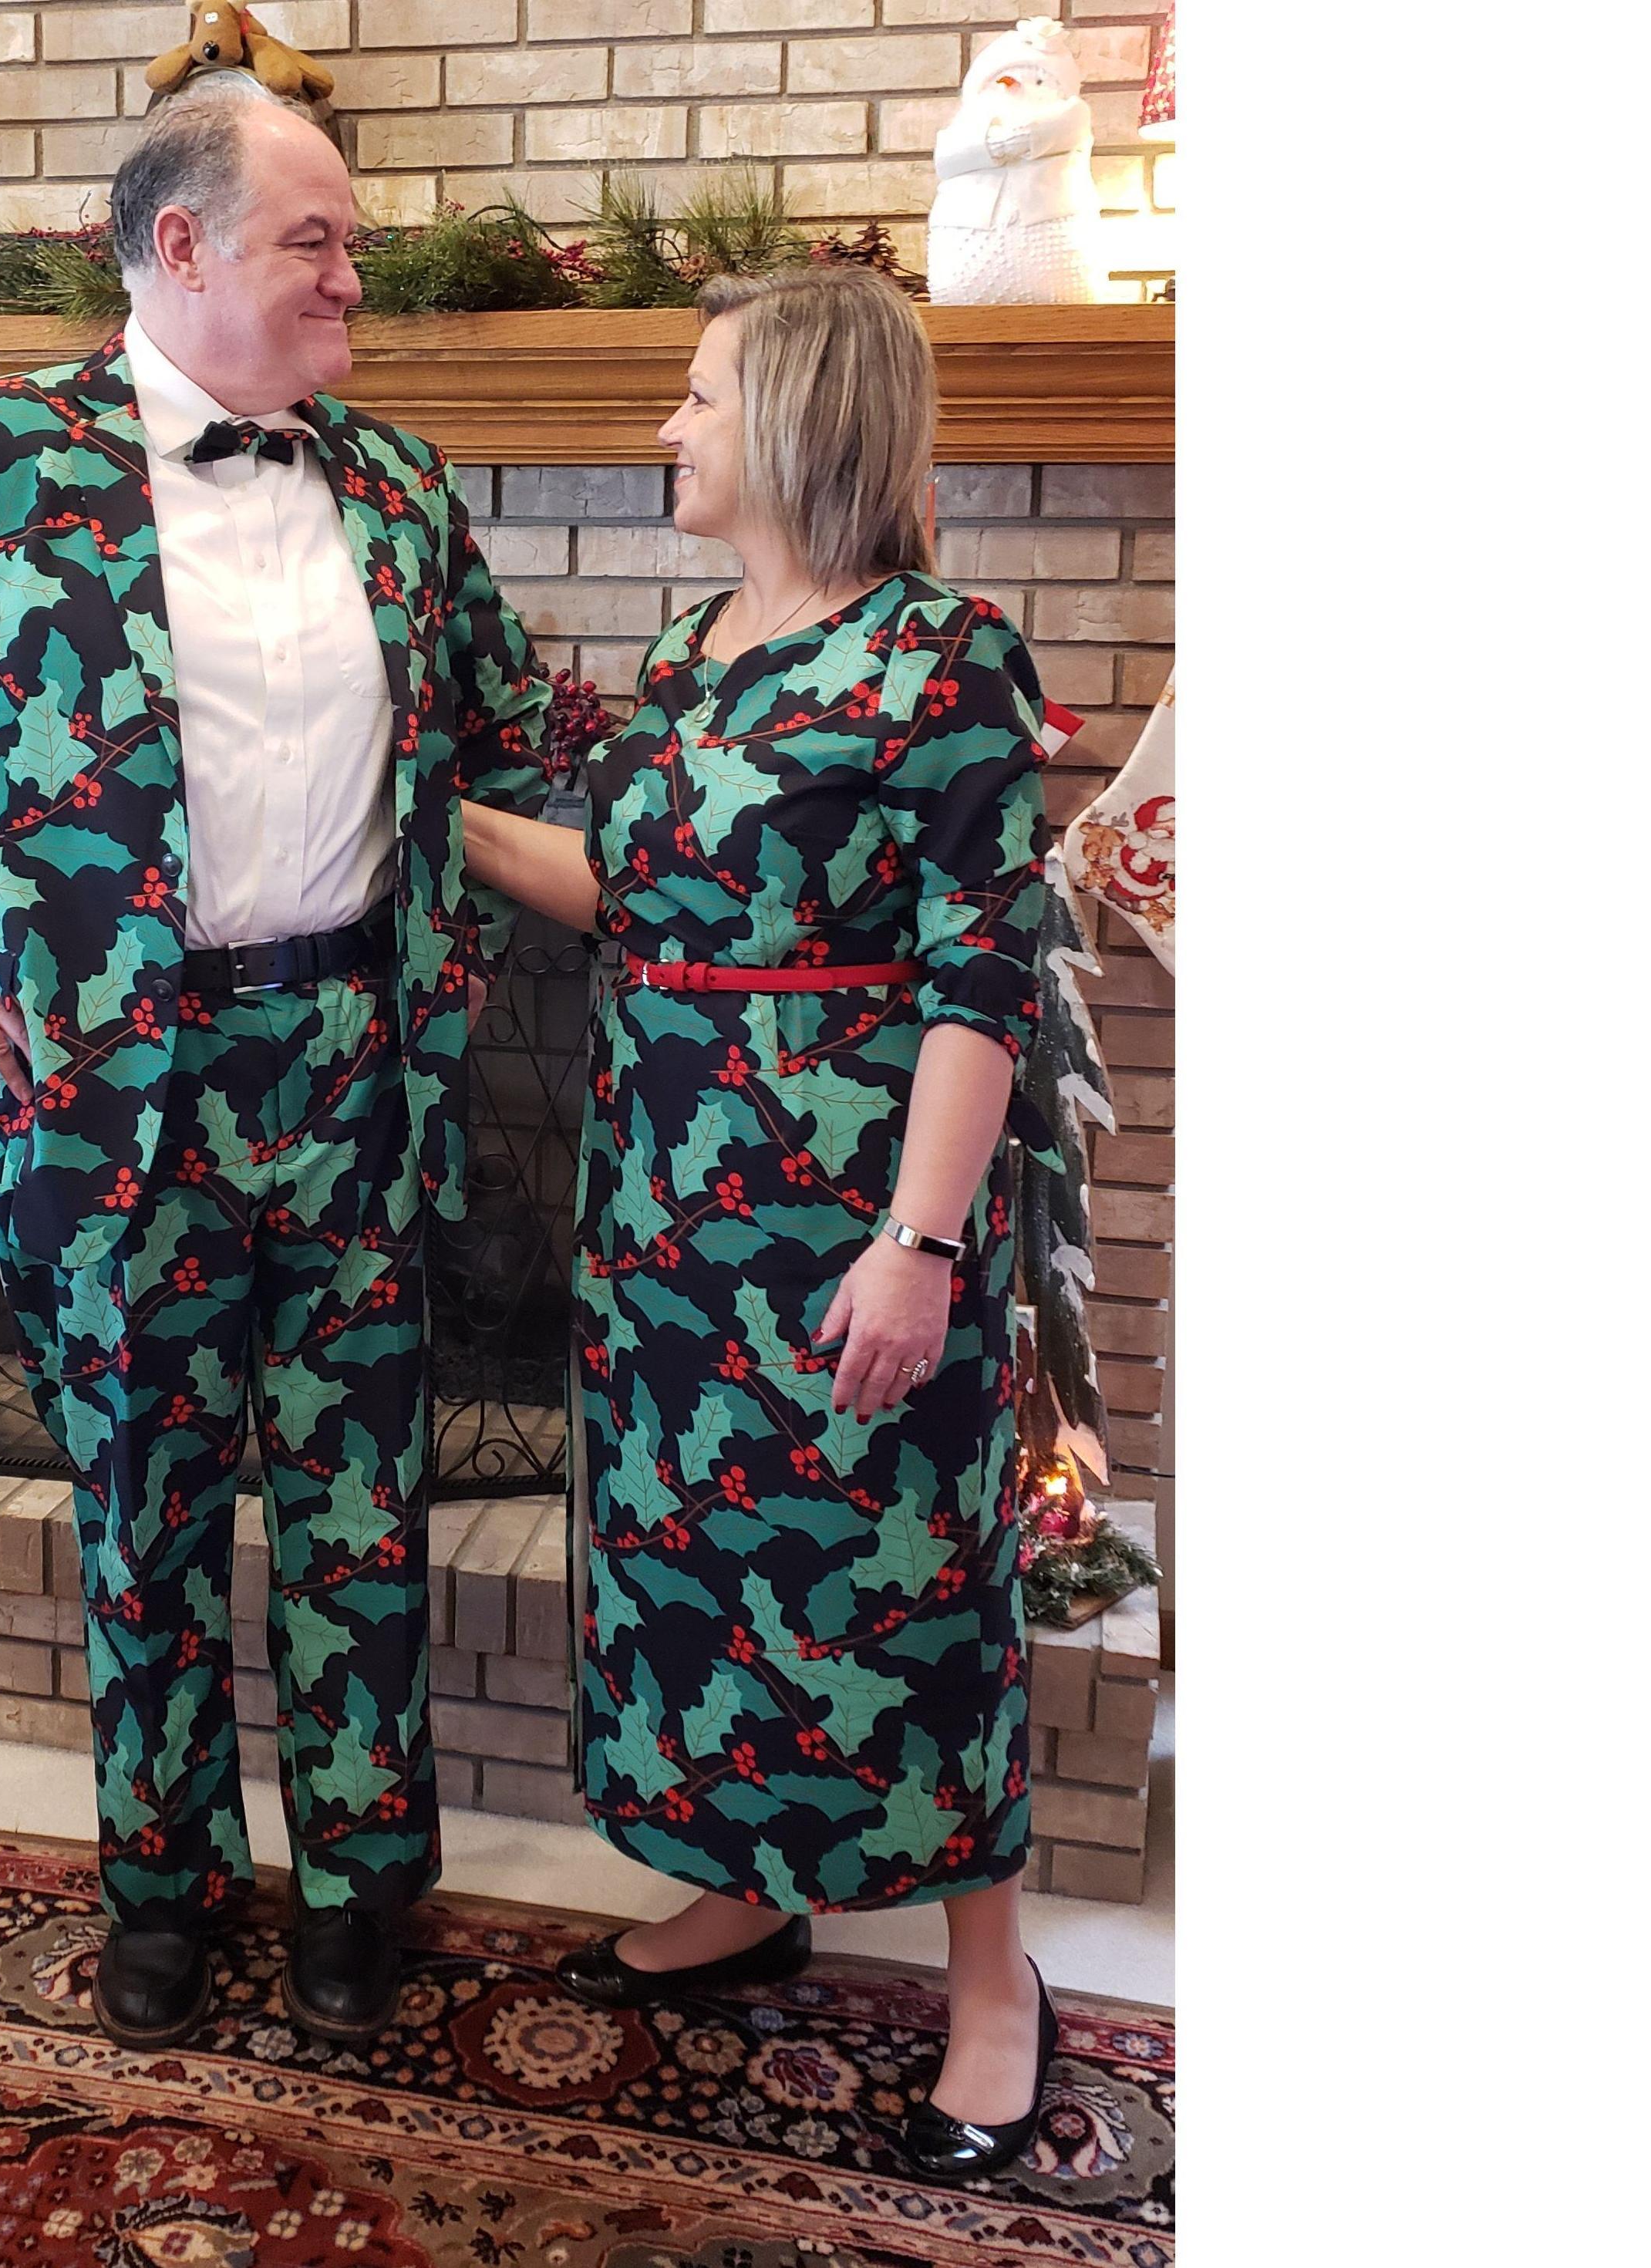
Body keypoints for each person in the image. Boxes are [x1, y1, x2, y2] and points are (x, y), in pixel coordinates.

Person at [0, 76, 549, 2052]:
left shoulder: (401, 486)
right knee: (145, 1514)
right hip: (103, 1101)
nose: (354, 276)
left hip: (355, 1071)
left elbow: (506, 734)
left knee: (357, 1510)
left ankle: (358, 1885)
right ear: (180, 246)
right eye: (316, 241)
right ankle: (161, 1886)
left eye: (349, 244)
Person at [459, 266, 1060, 2179]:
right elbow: (625, 896)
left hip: (852, 1221)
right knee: (693, 1570)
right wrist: (425, 800)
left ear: (797, 418)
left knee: (909, 1581)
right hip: (662, 1219)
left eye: (698, 394)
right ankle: (742, 1887)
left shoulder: (944, 659)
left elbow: (982, 977)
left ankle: (993, 1981)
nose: (667, 426)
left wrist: (921, 1244)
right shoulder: (689, 648)